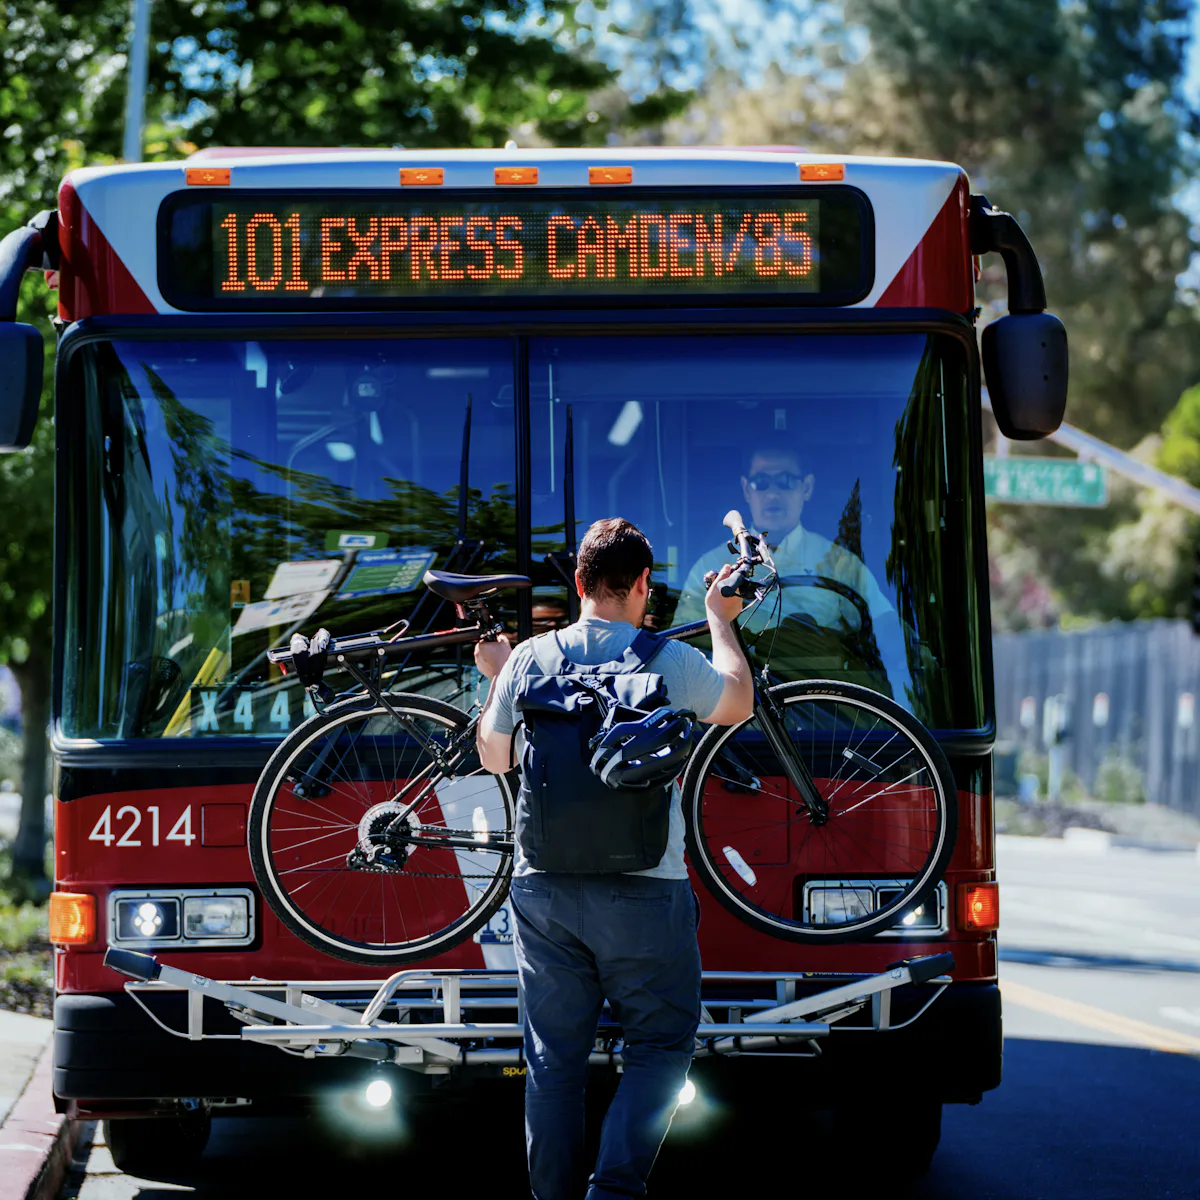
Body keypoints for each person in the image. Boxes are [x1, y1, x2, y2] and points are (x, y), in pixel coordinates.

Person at [474, 517, 753, 1200]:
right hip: (646, 890)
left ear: (578, 583)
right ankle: (614, 1191)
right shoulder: (668, 660)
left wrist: (498, 678)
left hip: (544, 891)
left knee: (552, 1062)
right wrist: (720, 621)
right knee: (660, 1046)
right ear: (644, 584)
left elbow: (495, 757)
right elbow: (738, 702)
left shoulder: (529, 660)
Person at [673, 445, 909, 691]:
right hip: (739, 706)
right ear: (746, 489)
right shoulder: (712, 567)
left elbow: (889, 633)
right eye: (761, 482)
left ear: (807, 487)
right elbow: (684, 651)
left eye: (785, 481)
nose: (773, 493)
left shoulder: (841, 563)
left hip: (830, 706)